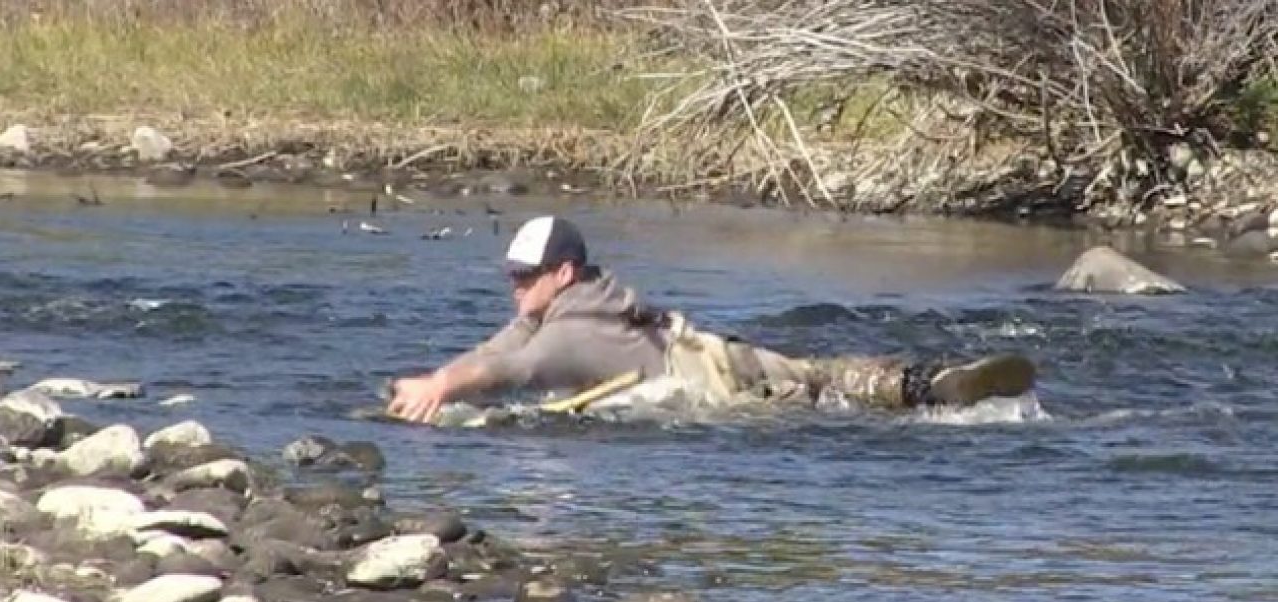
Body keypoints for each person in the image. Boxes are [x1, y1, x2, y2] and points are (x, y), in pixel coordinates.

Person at [386, 216, 1037, 424]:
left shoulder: (571, 331)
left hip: (720, 378)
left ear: (562, 273)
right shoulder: (566, 306)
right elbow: (500, 346)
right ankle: (934, 382)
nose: (515, 285)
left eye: (525, 275)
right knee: (828, 378)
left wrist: (444, 387)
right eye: (511, 274)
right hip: (709, 352)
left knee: (825, 392)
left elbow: (515, 366)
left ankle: (939, 390)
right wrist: (437, 382)